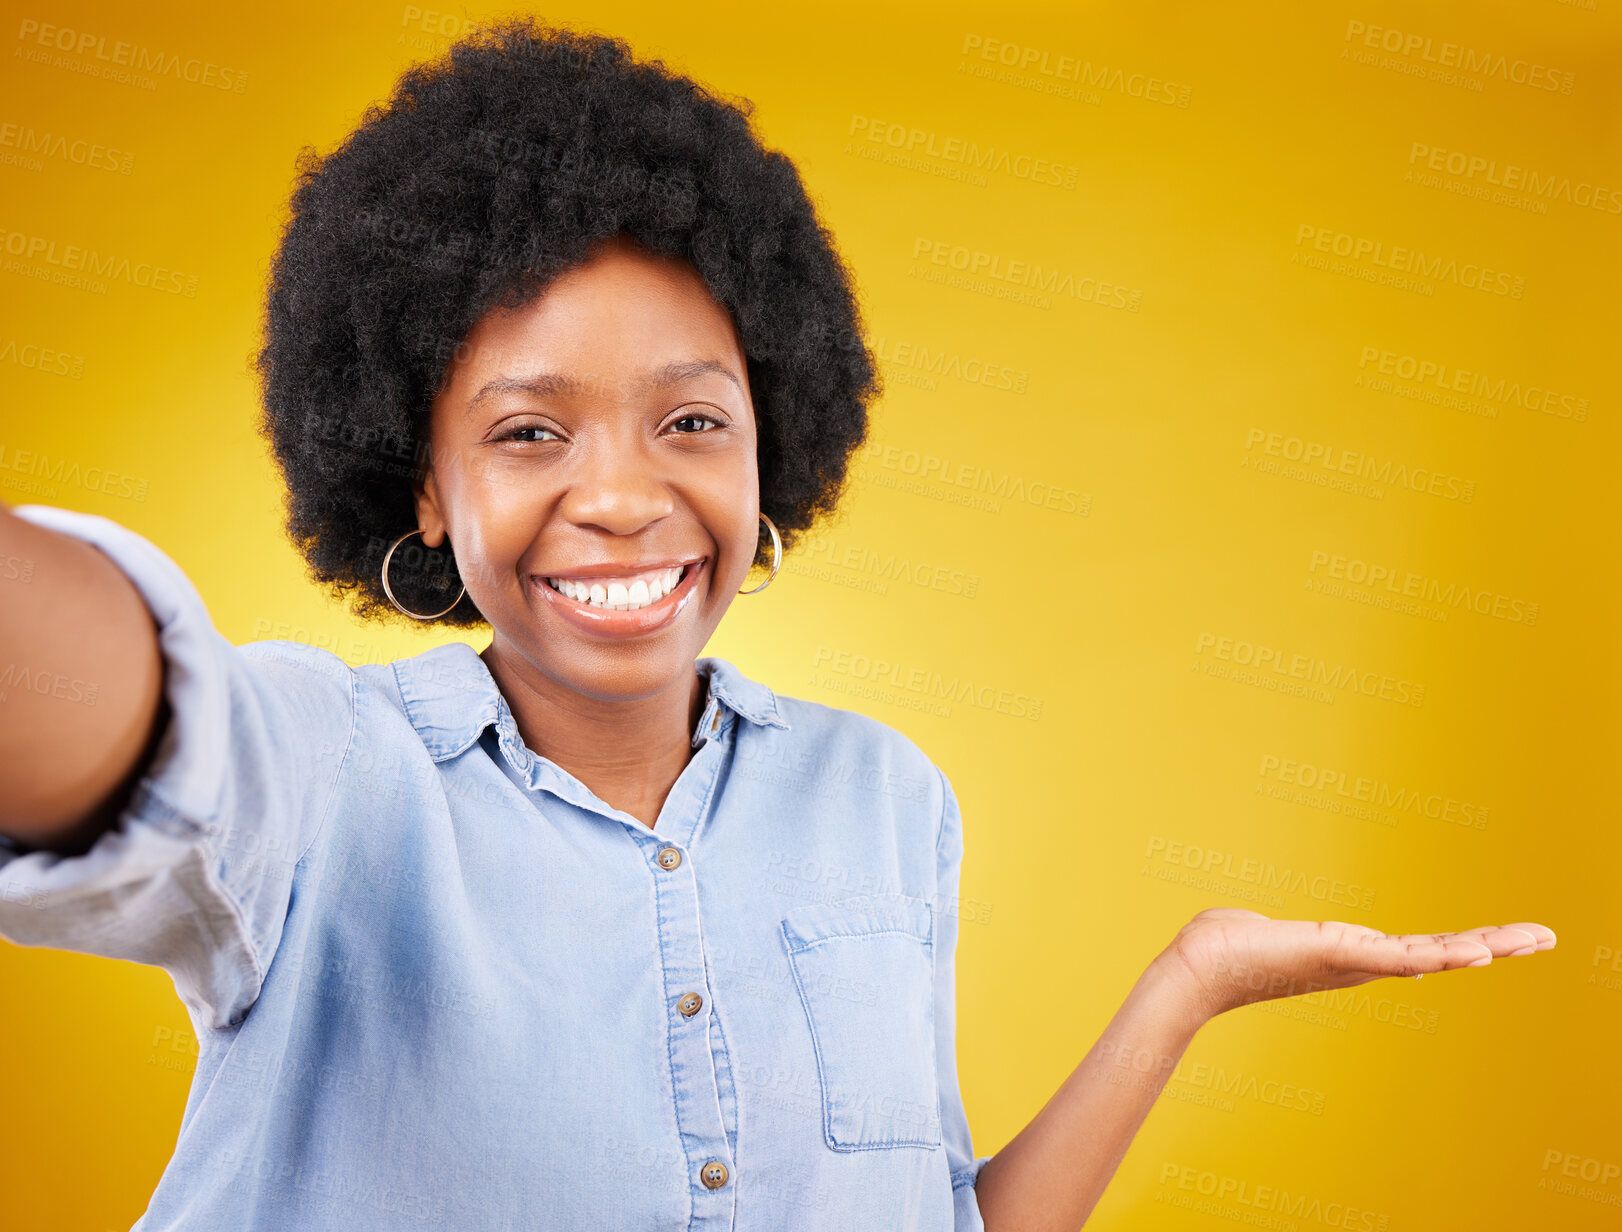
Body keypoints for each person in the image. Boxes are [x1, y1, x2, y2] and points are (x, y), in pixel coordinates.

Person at [0, 17, 1555, 1232]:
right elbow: (135, 721)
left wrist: (1187, 986)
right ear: (419, 490)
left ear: (772, 443)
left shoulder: (886, 799)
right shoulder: (327, 768)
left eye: (690, 421)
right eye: (530, 433)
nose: (621, 496)